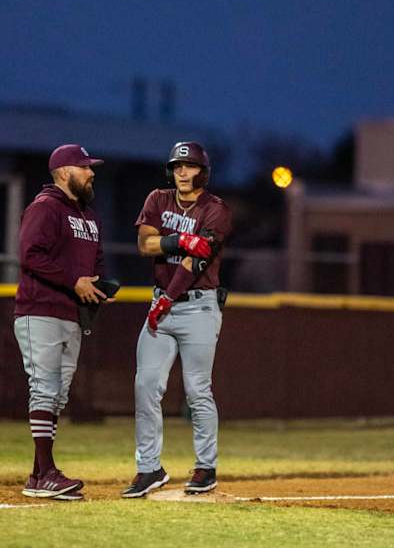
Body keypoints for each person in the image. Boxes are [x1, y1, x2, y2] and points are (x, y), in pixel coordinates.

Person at [121, 141, 233, 498]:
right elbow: (145, 244)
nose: (183, 172)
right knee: (145, 385)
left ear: (203, 170)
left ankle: (205, 467)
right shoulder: (158, 198)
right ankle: (149, 468)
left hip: (197, 306)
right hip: (161, 304)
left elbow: (196, 262)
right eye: (178, 166)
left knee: (197, 389)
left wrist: (168, 297)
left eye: (190, 166)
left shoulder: (216, 209)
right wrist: (183, 239)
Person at [14, 144, 108, 500]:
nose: (91, 172)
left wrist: (99, 283)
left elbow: (94, 262)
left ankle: (39, 476)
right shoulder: (46, 207)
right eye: (84, 168)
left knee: (58, 395)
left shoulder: (89, 216)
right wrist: (74, 281)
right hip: (39, 309)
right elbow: (30, 256)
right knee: (45, 388)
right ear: (64, 172)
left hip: (70, 313)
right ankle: (47, 471)